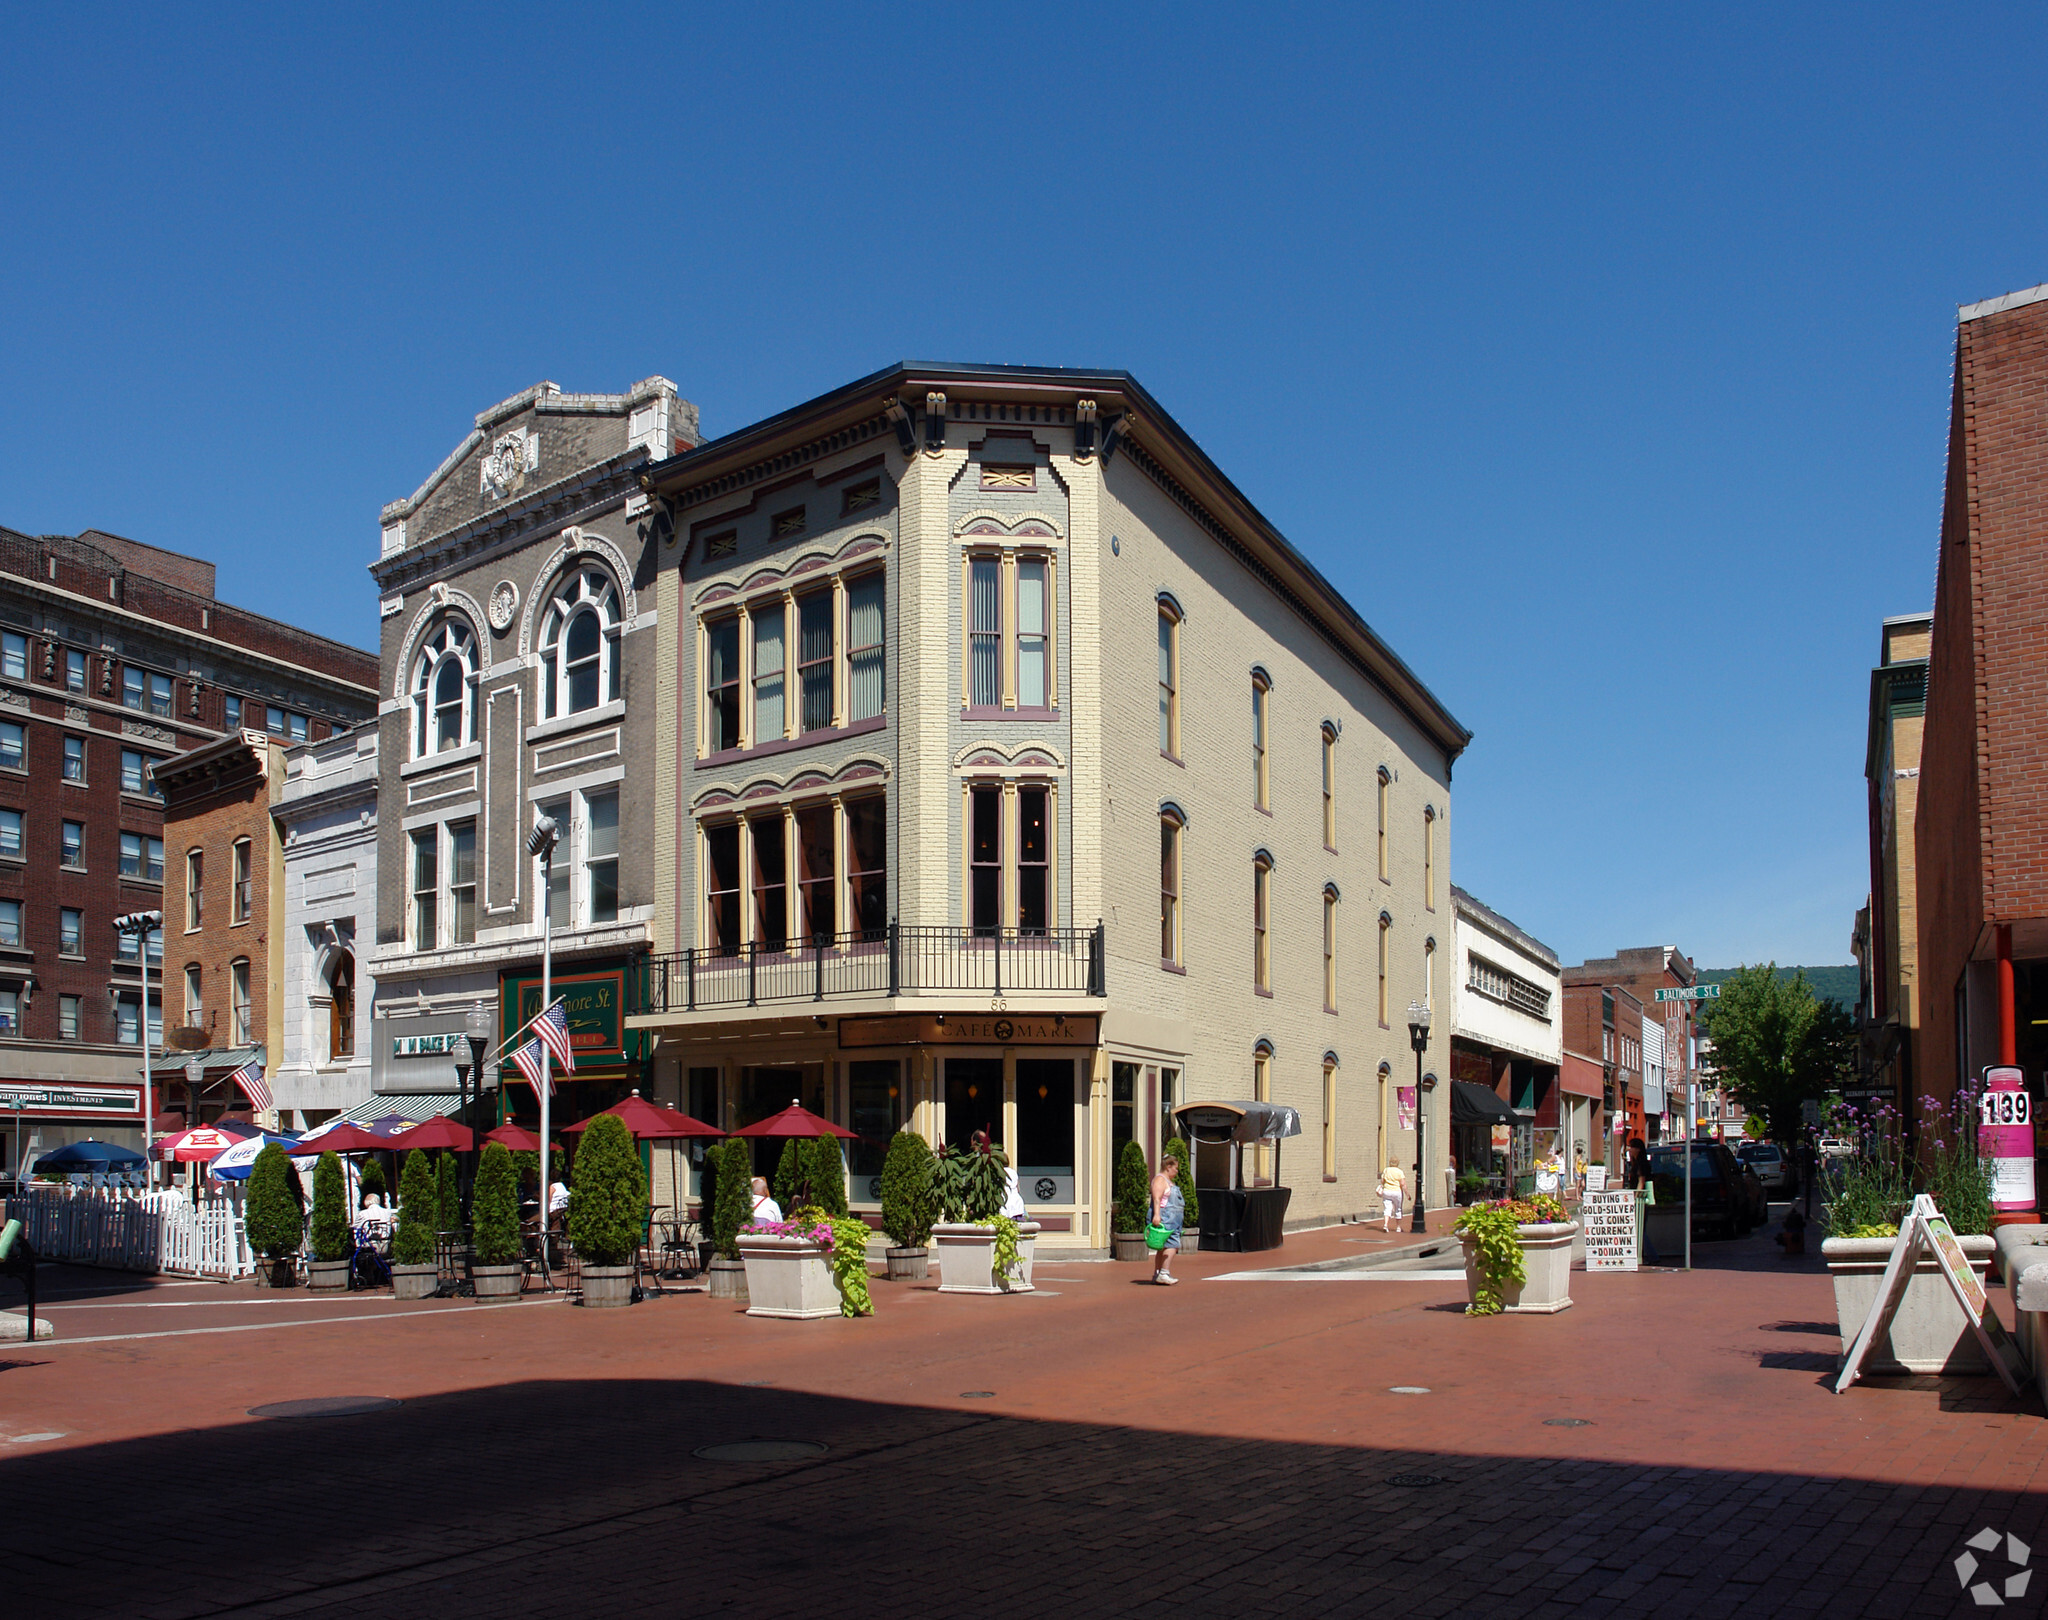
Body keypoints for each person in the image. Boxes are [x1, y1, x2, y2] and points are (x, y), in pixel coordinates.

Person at [1149, 1151, 1184, 1283]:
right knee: (1172, 1245)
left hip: (1173, 1218)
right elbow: (1157, 1198)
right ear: (1168, 1167)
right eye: (1175, 1168)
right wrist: (1157, 1215)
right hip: (1167, 1217)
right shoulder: (1160, 1180)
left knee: (1164, 1246)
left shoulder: (1168, 1181)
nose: (1177, 1171)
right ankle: (1164, 1272)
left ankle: (1158, 1273)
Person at [1377, 1163, 1406, 1232]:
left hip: (1387, 1191)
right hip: (1396, 1192)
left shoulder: (1386, 1170)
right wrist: (1407, 1193)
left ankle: (1386, 1225)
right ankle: (1398, 1227)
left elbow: (1382, 1181)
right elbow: (1402, 1183)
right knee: (1398, 1209)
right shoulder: (1399, 1171)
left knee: (1387, 1209)